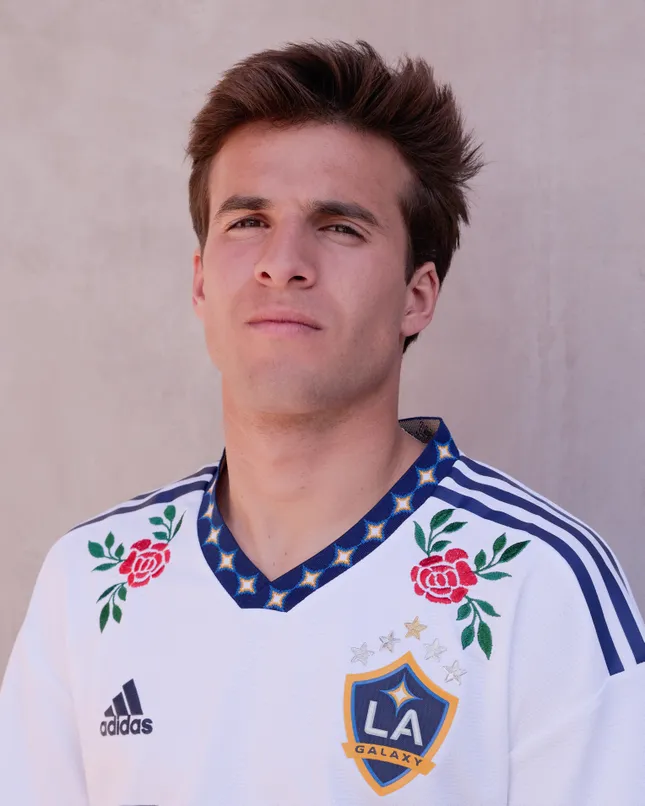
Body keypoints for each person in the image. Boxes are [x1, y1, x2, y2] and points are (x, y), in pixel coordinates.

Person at [0, 39, 643, 806]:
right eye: (248, 221)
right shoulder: (90, 580)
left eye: (339, 227)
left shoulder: (540, 585)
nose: (283, 263)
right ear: (201, 283)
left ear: (417, 296)